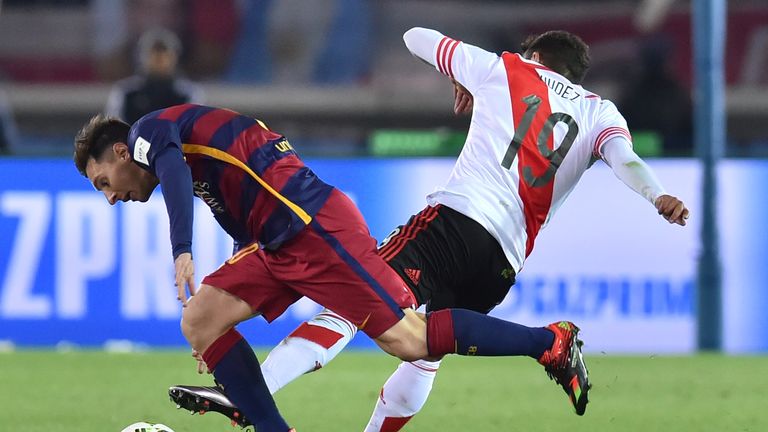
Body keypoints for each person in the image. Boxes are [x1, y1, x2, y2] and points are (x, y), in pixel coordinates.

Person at [171, 26, 689, 431]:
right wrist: (657, 196)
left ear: (535, 58)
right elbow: (628, 161)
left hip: (454, 224)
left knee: (354, 303)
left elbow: (414, 37)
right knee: (426, 352)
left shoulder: (506, 70)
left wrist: (466, 74)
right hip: (502, 262)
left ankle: (251, 392)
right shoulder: (601, 112)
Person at [73, 103, 593, 432]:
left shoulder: (148, 131)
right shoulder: (180, 142)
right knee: (201, 319)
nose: (112, 197)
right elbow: (236, 200)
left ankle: (549, 342)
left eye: (104, 182)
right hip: (278, 241)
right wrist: (233, 266)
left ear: (121, 152)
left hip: (313, 226)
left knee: (409, 340)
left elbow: (172, 171)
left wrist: (182, 247)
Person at [105, 28, 204, 125]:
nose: (159, 57)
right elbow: (116, 129)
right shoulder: (127, 93)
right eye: (153, 52)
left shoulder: (187, 94)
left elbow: (192, 130)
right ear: (141, 56)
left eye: (164, 52)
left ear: (175, 56)